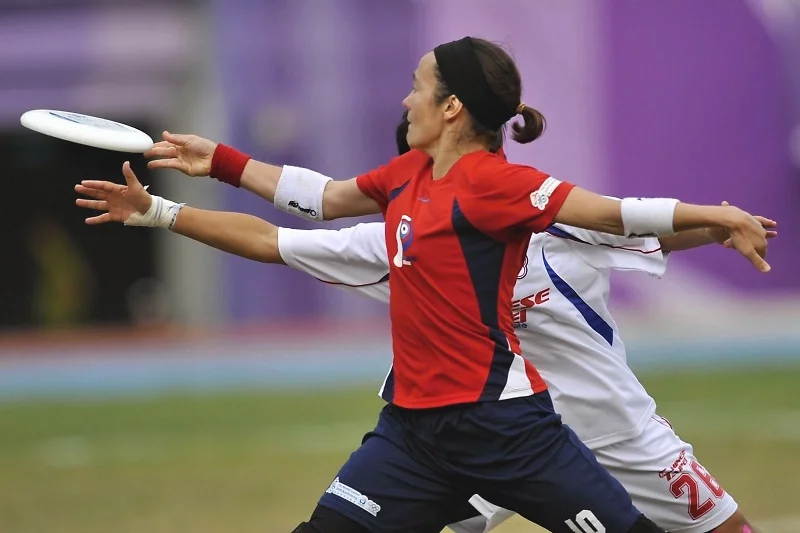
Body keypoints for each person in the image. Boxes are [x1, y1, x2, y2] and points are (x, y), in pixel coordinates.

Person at [76, 37, 771, 533]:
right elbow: (307, 209)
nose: (405, 98)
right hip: (429, 430)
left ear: (452, 110)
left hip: (569, 428)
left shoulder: (513, 195)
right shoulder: (398, 211)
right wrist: (191, 185)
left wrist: (714, 219)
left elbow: (619, 219)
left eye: (418, 86)